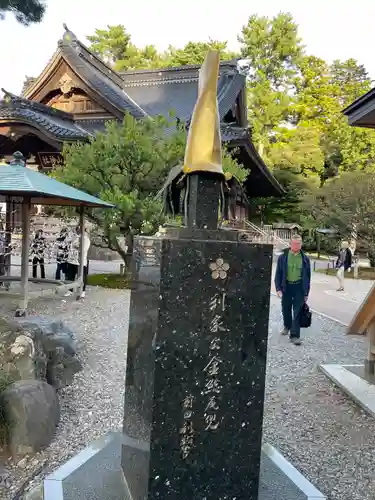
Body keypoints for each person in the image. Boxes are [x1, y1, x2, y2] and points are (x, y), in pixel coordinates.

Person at [274, 235, 311, 346]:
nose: (296, 246)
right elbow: (278, 274)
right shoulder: (283, 257)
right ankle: (287, 326)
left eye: (298, 244)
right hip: (286, 286)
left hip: (299, 287)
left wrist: (306, 293)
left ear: (301, 244)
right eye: (294, 243)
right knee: (286, 308)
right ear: (290, 244)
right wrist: (278, 289)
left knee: (297, 311)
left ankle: (295, 336)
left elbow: (308, 277)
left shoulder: (305, 259)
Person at [65, 226, 91, 298]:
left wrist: (75, 246)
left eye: (79, 230)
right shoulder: (74, 238)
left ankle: (82, 291)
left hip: (81, 261)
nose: (78, 231)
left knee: (82, 277)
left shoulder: (86, 239)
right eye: (77, 230)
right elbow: (68, 244)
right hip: (71, 260)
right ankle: (70, 290)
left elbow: (83, 249)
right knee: (70, 276)